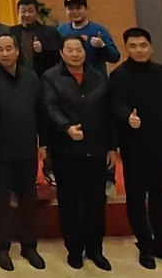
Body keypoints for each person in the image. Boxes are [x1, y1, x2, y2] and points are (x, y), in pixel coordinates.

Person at [111, 27, 162, 270]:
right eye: (133, 46)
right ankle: (145, 244)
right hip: (134, 145)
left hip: (161, 142)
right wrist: (127, 117)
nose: (139, 50)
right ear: (126, 48)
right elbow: (116, 105)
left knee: (159, 195)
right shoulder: (119, 75)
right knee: (136, 197)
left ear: (151, 47)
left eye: (143, 45)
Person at [42, 35, 117, 271]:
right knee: (70, 202)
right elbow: (49, 107)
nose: (75, 54)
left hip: (96, 148)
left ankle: (95, 249)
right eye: (70, 50)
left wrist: (111, 147)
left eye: (79, 50)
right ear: (61, 53)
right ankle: (74, 250)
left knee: (96, 201)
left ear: (85, 53)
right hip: (66, 150)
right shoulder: (50, 77)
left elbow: (109, 114)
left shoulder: (99, 78)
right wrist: (66, 127)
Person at [0, 33, 47, 271]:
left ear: (18, 51)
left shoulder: (31, 77)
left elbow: (40, 110)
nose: (5, 53)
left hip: (27, 148)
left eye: (9, 48)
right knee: (0, 201)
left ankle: (29, 246)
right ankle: (1, 248)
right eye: (0, 49)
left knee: (28, 200)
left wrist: (43, 143)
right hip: (0, 150)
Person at [58, 0, 120, 75]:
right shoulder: (61, 30)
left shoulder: (98, 30)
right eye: (70, 9)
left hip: (95, 79)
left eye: (78, 8)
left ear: (86, 9)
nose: (75, 12)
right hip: (68, 78)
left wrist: (102, 46)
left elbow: (115, 58)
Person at [11, 0, 62, 76]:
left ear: (37, 12)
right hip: (18, 76)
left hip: (43, 76)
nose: (27, 15)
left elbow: (57, 57)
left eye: (30, 11)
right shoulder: (11, 32)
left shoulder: (50, 32)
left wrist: (43, 49)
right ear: (18, 13)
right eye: (23, 11)